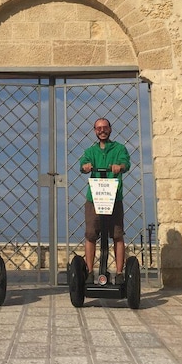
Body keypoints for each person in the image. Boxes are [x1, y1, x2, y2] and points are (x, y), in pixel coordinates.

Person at [79, 117, 130, 284]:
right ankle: (88, 272)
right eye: (98, 128)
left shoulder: (119, 148)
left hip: (114, 197)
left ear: (110, 129)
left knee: (117, 235)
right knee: (91, 234)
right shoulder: (90, 151)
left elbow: (125, 163)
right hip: (94, 198)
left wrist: (119, 167)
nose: (102, 130)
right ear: (95, 131)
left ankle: (120, 273)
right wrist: (86, 166)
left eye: (105, 127)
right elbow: (83, 164)